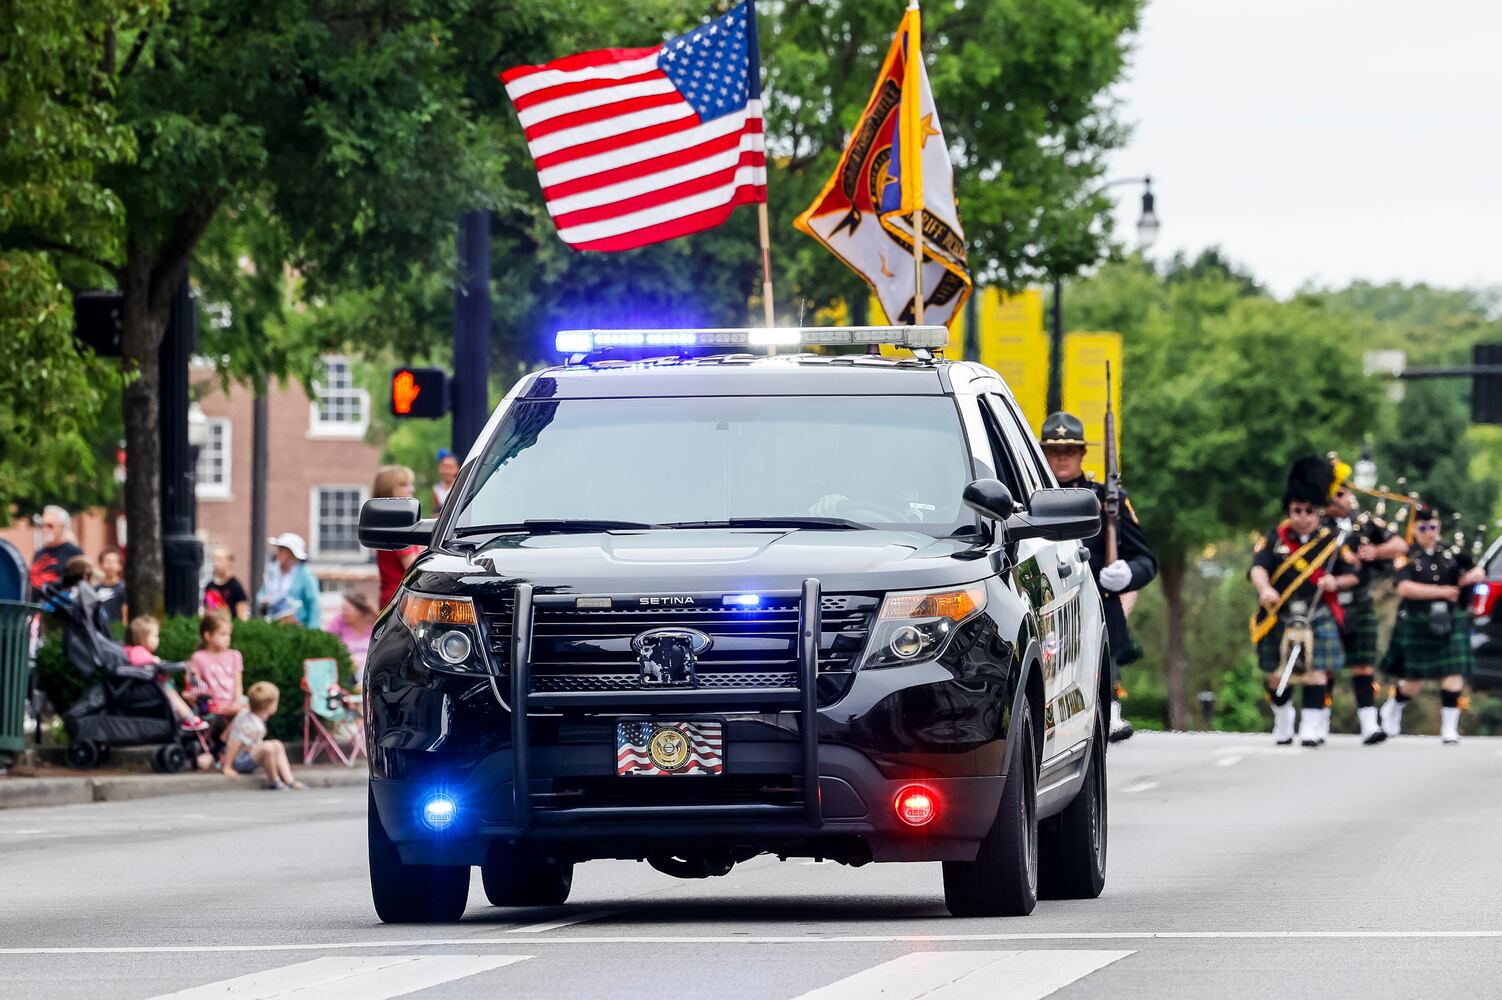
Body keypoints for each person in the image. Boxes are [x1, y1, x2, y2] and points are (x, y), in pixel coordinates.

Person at [1040, 412, 1158, 743]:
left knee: (1101, 633)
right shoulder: (1027, 497)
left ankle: (1110, 703)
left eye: (1070, 450)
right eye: (1053, 451)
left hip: (1095, 603)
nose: (1062, 458)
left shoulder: (1108, 500)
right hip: (1046, 601)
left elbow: (1146, 561)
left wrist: (1126, 574)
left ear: (1082, 454)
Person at [1249, 456, 1360, 747]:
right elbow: (1258, 567)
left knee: (1316, 672)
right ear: (1289, 508)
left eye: (1309, 510)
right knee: (1275, 675)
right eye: (1297, 509)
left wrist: (1334, 582)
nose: (1302, 515)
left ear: (1317, 510)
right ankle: (1283, 719)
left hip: (1316, 612)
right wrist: (1264, 589)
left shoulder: (1332, 540)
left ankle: (1311, 726)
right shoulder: (1275, 537)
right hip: (1280, 611)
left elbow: (1352, 574)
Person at [1378, 504, 1484, 743]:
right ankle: (1394, 706)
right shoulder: (1406, 554)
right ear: (1415, 528)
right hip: (1417, 620)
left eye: (1433, 527)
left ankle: (1449, 728)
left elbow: (1475, 571)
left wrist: (1471, 577)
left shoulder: (1450, 551)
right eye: (1424, 527)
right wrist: (1442, 591)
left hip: (1449, 618)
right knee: (1413, 682)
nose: (1429, 532)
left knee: (1453, 672)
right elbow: (1404, 588)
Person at [1324, 458, 1407, 745]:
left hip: (1360, 599)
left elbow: (1400, 545)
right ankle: (1319, 721)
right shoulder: (1318, 526)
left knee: (1364, 665)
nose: (1349, 497)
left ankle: (1369, 723)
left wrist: (1377, 551)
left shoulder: (1362, 522)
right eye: (1342, 492)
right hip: (1328, 601)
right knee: (1326, 664)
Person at [122, 615, 209, 732]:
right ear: (142, 638)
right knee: (170, 692)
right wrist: (154, 660)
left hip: (143, 687)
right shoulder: (138, 651)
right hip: (147, 689)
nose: (157, 639)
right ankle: (189, 718)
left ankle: (184, 716)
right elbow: (137, 660)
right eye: (154, 636)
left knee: (170, 689)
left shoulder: (133, 650)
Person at [221, 681, 303, 789]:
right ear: (270, 706)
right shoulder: (255, 727)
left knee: (277, 744)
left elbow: (225, 736)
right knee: (268, 748)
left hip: (242, 755)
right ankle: (274, 781)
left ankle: (289, 780)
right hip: (239, 761)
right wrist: (227, 767)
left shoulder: (243, 712)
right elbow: (237, 743)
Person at [372, 465, 423, 607]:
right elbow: (414, 566)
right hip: (401, 600)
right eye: (404, 485)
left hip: (395, 598)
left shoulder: (384, 520)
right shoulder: (395, 523)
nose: (411, 489)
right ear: (389, 489)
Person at [186, 612, 245, 719]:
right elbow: (195, 686)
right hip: (212, 707)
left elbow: (238, 685)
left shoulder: (235, 655)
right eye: (223, 634)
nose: (228, 638)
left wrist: (236, 703)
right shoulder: (198, 657)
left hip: (235, 704)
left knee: (257, 705)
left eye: (229, 634)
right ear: (208, 636)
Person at [257, 533, 320, 628]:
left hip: (297, 627)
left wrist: (313, 629)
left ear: (292, 553)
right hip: (271, 623)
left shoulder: (305, 574)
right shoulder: (271, 570)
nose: (278, 553)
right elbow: (261, 593)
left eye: (282, 550)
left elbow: (313, 603)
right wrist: (262, 600)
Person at [29, 505, 84, 598]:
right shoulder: (39, 553)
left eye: (50, 526)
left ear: (62, 527)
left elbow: (81, 587)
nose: (45, 529)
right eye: (43, 525)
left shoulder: (73, 552)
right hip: (36, 609)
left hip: (60, 609)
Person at [326, 590, 377, 676]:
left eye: (347, 609)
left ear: (359, 611)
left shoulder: (375, 622)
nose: (343, 612)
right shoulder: (339, 620)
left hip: (372, 667)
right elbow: (328, 642)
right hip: (348, 667)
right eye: (342, 609)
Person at [203, 546, 250, 621]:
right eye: (214, 560)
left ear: (230, 562)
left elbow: (242, 615)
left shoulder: (236, 586)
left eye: (220, 560)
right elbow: (206, 611)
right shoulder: (209, 586)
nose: (216, 564)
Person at [94, 548, 128, 626]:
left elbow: (125, 612)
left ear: (120, 566)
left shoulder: (123, 588)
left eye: (113, 562)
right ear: (101, 564)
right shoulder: (95, 588)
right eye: (107, 562)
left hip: (116, 629)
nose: (110, 566)